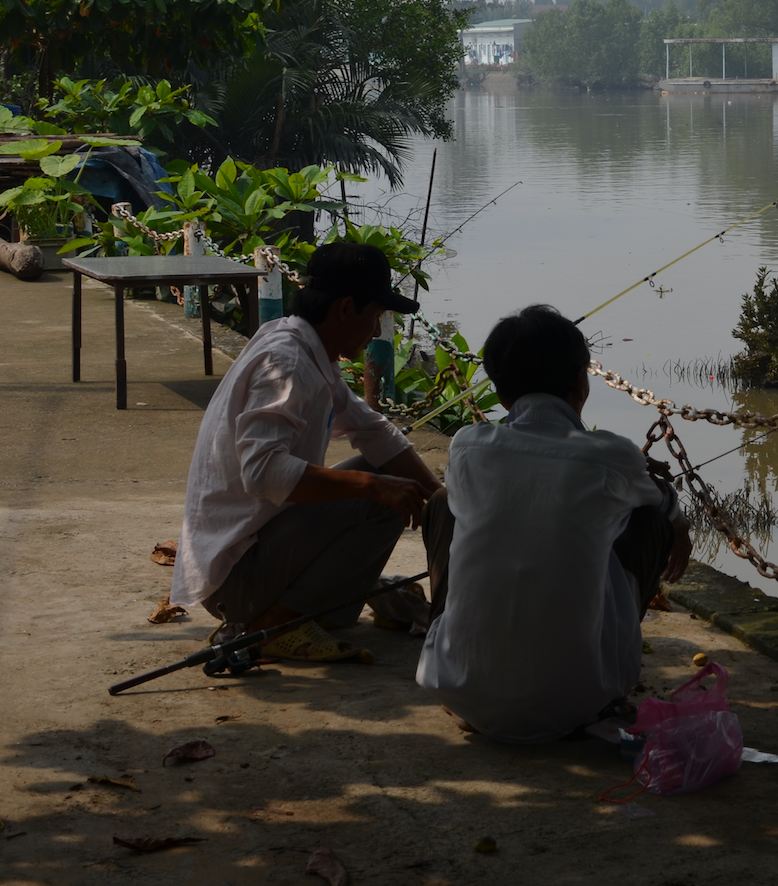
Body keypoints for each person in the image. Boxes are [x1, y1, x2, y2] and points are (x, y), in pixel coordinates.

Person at [416, 304, 691, 744]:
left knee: (444, 502)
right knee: (648, 517)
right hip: (577, 701)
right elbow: (664, 504)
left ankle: (466, 658)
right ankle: (602, 675)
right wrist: (680, 531)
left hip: (460, 688)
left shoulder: (468, 446)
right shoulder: (611, 455)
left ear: (502, 394)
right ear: (580, 382)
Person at [170, 242, 444, 662]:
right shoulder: (288, 362)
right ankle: (272, 625)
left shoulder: (305, 347)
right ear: (346, 308)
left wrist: (441, 500)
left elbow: (373, 431)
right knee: (382, 498)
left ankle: (311, 600)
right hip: (235, 576)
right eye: (374, 317)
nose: (374, 331)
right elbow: (262, 471)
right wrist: (372, 486)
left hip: (250, 552)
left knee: (387, 479)